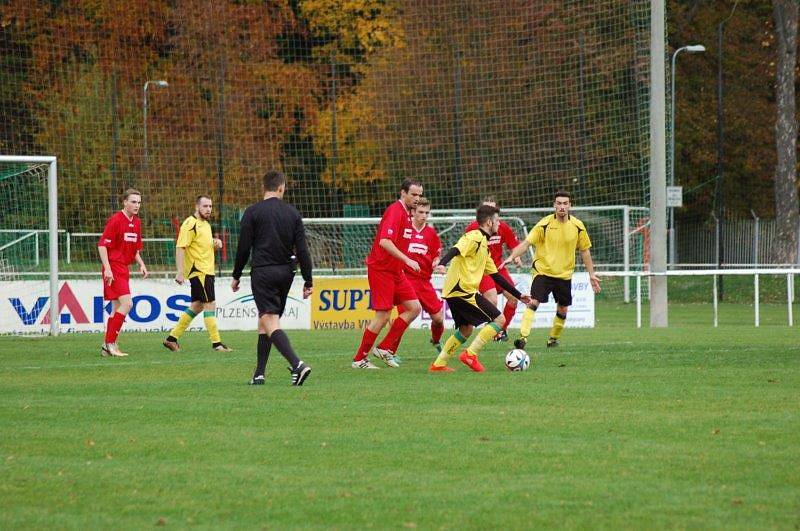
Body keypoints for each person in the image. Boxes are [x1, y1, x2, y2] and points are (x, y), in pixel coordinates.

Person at [231, 170, 313, 386]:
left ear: (264, 188)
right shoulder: (292, 213)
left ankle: (298, 365)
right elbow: (303, 250)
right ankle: (259, 374)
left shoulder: (252, 212)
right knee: (265, 322)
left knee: (269, 320)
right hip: (286, 273)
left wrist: (236, 275)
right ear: (281, 188)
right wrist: (308, 280)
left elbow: (243, 248)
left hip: (263, 272)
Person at [429, 205, 532, 372]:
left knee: (466, 329)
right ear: (490, 222)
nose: (499, 224)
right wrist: (441, 264)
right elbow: (456, 248)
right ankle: (470, 355)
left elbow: (496, 275)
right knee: (499, 320)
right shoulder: (474, 236)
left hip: (456, 292)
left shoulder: (484, 245)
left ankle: (438, 365)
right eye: (497, 221)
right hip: (462, 291)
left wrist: (519, 296)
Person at [500, 190, 601, 349]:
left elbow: (585, 250)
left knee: (562, 308)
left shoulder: (577, 226)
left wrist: (591, 275)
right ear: (554, 205)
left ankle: (553, 339)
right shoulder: (544, 224)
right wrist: (512, 256)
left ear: (570, 206)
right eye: (559, 203)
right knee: (533, 302)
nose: (562, 207)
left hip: (564, 275)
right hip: (543, 272)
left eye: (565, 203)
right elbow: (526, 243)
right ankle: (523, 338)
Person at [351, 179, 423, 369]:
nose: (417, 199)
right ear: (403, 193)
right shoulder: (395, 211)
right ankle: (359, 359)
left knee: (414, 308)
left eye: (419, 195)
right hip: (381, 269)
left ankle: (384, 347)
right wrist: (407, 260)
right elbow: (384, 241)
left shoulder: (408, 215)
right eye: (413, 194)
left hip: (396, 271)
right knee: (382, 316)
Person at [163, 195, 232, 353]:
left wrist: (216, 244)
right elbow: (181, 247)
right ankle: (217, 344)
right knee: (210, 304)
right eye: (205, 206)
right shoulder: (190, 223)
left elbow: (202, 247)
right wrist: (180, 271)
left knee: (197, 306)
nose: (208, 209)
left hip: (207, 270)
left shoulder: (206, 225)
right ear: (197, 207)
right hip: (199, 271)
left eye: (210, 206)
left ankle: (171, 339)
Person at [389, 197, 446, 353]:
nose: (424, 216)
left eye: (427, 213)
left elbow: (436, 255)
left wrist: (436, 263)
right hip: (405, 280)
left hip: (424, 282)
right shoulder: (405, 230)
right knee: (403, 318)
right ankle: (390, 352)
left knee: (438, 319)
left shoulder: (432, 234)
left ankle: (435, 340)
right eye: (421, 212)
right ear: (413, 212)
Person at [464, 196, 524, 342]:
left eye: (493, 209)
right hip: (482, 271)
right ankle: (489, 329)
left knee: (513, 298)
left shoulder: (502, 227)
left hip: (499, 269)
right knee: (492, 300)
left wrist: (516, 257)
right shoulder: (472, 228)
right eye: (487, 209)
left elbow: (514, 246)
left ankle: (501, 330)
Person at [97, 188, 148, 357]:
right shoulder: (116, 220)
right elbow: (102, 245)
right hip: (113, 267)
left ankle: (107, 347)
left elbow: (135, 250)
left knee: (116, 307)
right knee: (128, 304)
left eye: (139, 202)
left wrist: (141, 264)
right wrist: (108, 269)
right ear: (124, 202)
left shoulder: (137, 223)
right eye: (133, 202)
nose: (137, 205)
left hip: (123, 268)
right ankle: (110, 343)